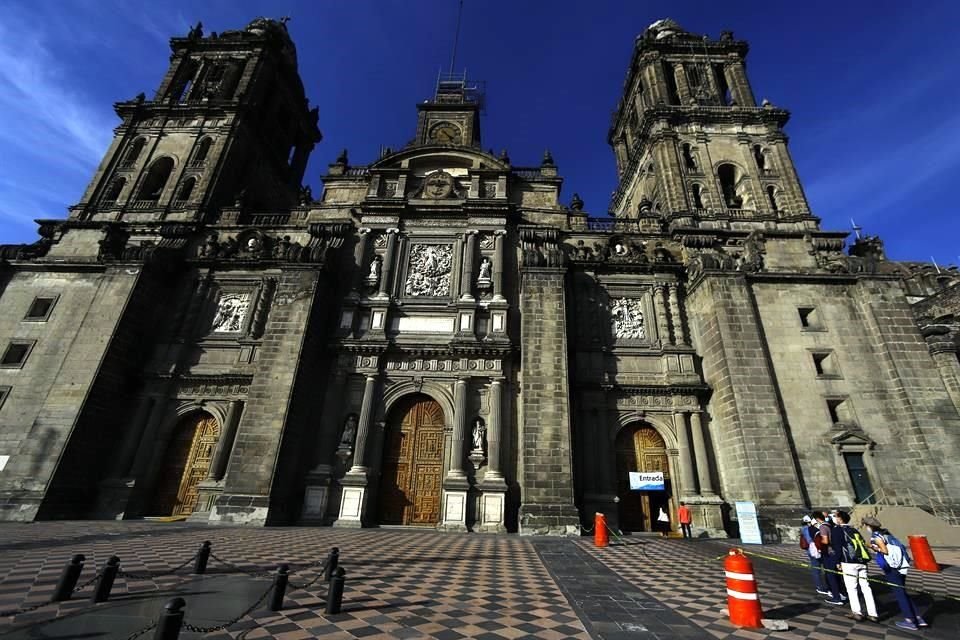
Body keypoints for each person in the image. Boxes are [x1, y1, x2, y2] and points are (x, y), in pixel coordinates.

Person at [863, 516, 928, 631]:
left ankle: (910, 620)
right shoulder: (887, 533)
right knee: (903, 592)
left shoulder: (876, 536)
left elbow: (884, 550)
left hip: (892, 567)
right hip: (901, 566)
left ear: (869, 526)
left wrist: (872, 546)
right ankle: (917, 618)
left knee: (899, 594)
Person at [832, 510, 878, 622]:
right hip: (861, 560)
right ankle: (873, 614)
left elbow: (837, 547)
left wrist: (837, 562)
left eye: (835, 516)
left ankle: (857, 612)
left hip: (848, 561)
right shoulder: (853, 529)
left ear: (839, 519)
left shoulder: (837, 530)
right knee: (866, 587)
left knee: (851, 588)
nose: (834, 518)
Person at [814, 512, 846, 606]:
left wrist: (818, 544)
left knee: (830, 575)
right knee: (837, 575)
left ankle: (836, 597)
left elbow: (825, 540)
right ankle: (842, 593)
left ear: (817, 519)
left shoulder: (823, 527)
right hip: (835, 553)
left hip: (828, 553)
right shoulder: (831, 525)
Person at [801, 515, 828, 595]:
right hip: (814, 550)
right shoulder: (808, 529)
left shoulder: (804, 529)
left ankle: (820, 586)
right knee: (817, 569)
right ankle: (820, 587)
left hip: (812, 550)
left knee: (817, 569)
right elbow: (811, 540)